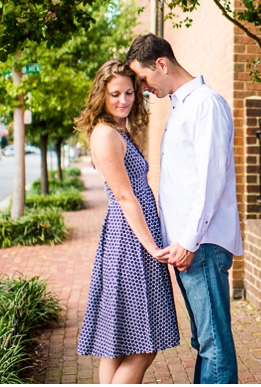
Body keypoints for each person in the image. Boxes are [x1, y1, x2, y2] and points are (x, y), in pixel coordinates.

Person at [127, 33, 243, 384]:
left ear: (161, 64)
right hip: (188, 247)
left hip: (200, 246)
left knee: (214, 344)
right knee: (204, 341)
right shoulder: (182, 106)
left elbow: (212, 178)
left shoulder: (205, 104)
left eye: (144, 79)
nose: (144, 89)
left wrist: (189, 240)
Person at [75, 60, 180, 384]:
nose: (124, 100)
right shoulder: (105, 134)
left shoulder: (119, 130)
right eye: (115, 94)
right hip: (131, 243)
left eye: (129, 92)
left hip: (132, 239)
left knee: (118, 346)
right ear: (101, 96)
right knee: (145, 346)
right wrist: (151, 246)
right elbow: (124, 197)